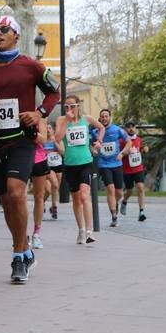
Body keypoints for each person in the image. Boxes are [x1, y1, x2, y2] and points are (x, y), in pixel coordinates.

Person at [0, 15, 61, 284]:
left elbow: (55, 92)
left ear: (16, 35)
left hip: (23, 140)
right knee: (7, 201)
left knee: (17, 191)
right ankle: (25, 246)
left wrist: (39, 112)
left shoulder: (31, 66)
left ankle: (18, 257)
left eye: (4, 30)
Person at [54, 95, 106, 245]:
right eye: (66, 107)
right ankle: (81, 230)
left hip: (86, 162)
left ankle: (89, 232)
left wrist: (99, 141)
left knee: (84, 196)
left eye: (72, 106)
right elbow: (57, 138)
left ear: (78, 106)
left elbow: (101, 127)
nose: (69, 109)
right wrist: (66, 120)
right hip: (70, 165)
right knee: (76, 199)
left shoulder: (87, 119)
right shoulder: (61, 120)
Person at [92, 108, 131, 228]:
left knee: (119, 192)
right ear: (100, 118)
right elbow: (91, 145)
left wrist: (122, 153)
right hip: (104, 164)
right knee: (110, 188)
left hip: (117, 164)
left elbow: (129, 142)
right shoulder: (95, 132)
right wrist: (93, 150)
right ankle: (114, 215)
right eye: (102, 116)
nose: (104, 118)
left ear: (110, 117)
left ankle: (115, 204)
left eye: (106, 116)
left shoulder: (117, 129)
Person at [30, 121, 63, 248]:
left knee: (46, 191)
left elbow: (43, 139)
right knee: (16, 197)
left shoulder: (40, 120)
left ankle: (36, 234)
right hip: (20, 158)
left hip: (40, 160)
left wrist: (29, 132)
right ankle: (19, 234)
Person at [120, 120, 147, 222]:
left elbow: (144, 147)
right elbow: (119, 154)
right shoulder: (122, 141)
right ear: (125, 129)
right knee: (129, 190)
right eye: (128, 127)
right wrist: (126, 152)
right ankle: (124, 201)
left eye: (133, 126)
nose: (131, 128)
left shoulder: (139, 140)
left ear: (135, 128)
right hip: (127, 170)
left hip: (138, 168)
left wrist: (145, 149)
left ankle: (141, 212)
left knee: (140, 187)